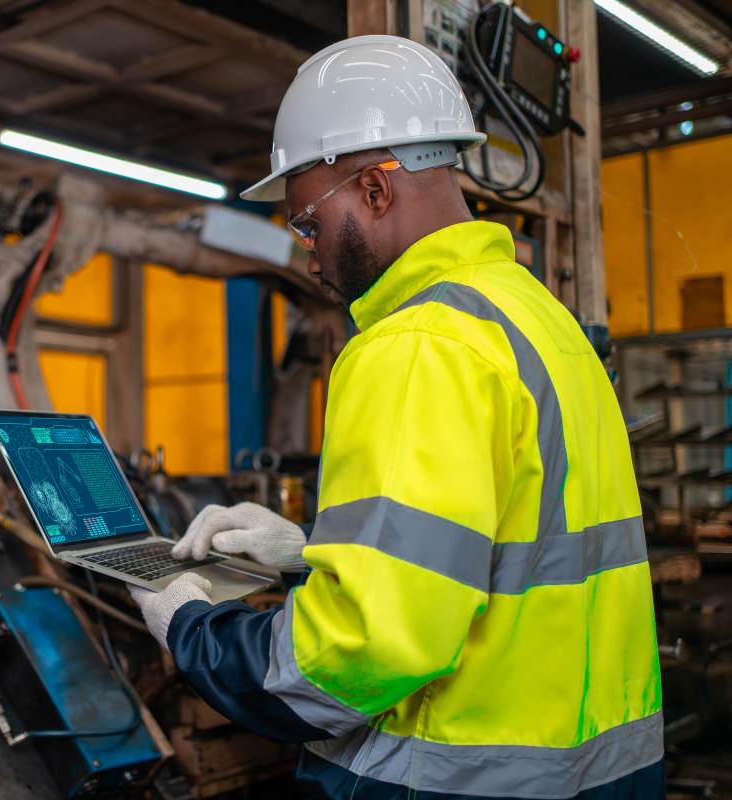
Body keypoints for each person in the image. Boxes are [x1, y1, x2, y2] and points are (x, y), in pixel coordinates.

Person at [130, 34, 663, 799]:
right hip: (602, 774)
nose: (310, 258)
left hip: (453, 780)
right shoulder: (540, 320)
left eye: (309, 223)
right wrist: (314, 552)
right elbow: (512, 547)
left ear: (377, 190)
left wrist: (193, 629)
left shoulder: (416, 343)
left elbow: (356, 653)